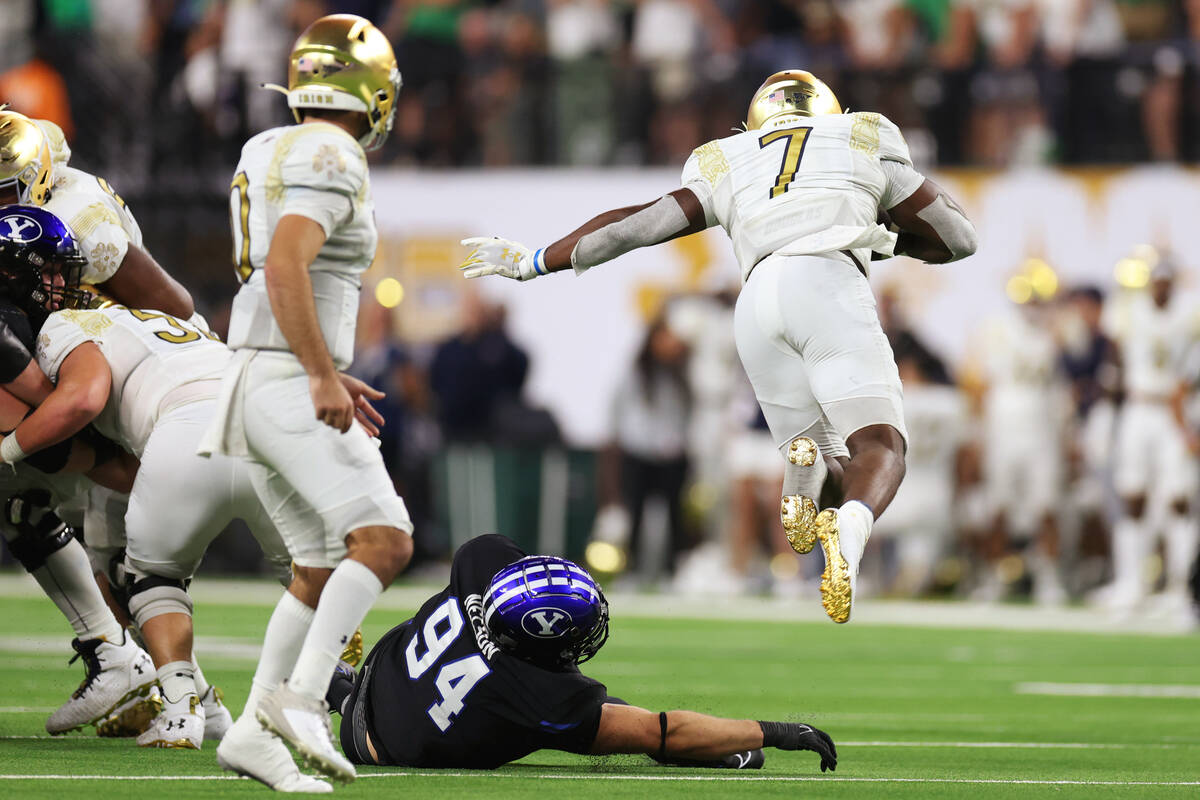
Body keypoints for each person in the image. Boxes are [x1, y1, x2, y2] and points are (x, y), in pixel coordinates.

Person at [459, 70, 978, 622]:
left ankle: (806, 473)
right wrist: (885, 235)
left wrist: (535, 260)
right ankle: (852, 530)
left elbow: (637, 224)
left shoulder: (729, 157)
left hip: (756, 301)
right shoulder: (861, 136)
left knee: (833, 466)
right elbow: (958, 236)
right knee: (881, 447)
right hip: (829, 280)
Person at [198, 13, 414, 791]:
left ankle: (254, 732)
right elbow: (288, 266)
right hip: (288, 378)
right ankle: (306, 699)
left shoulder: (269, 145)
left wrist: (320, 362)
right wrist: (321, 373)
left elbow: (274, 278)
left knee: (319, 569)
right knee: (384, 541)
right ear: (374, 93)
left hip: (258, 371)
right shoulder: (337, 152)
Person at [0, 207, 296, 750]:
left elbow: (81, 398)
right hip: (266, 418)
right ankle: (338, 685)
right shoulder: (162, 320)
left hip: (185, 427)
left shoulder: (66, 326)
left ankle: (183, 710)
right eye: (52, 273)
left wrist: (9, 449)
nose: (61, 284)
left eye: (63, 273)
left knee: (149, 577)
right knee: (300, 572)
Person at [328, 534, 836, 773]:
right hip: (378, 747)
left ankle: (343, 685)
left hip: (385, 666)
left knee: (571, 708)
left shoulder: (479, 560)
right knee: (608, 724)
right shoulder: (537, 691)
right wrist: (776, 731)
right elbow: (661, 728)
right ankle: (341, 694)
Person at [0, 205, 156, 736]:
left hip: (135, 433)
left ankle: (121, 656)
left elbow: (47, 420)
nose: (59, 282)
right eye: (46, 270)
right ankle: (123, 658)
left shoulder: (48, 320)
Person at [0, 110, 194, 320]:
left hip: (157, 335)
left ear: (34, 179)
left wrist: (81, 304)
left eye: (3, 192)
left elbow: (177, 307)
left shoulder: (79, 224)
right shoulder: (31, 144)